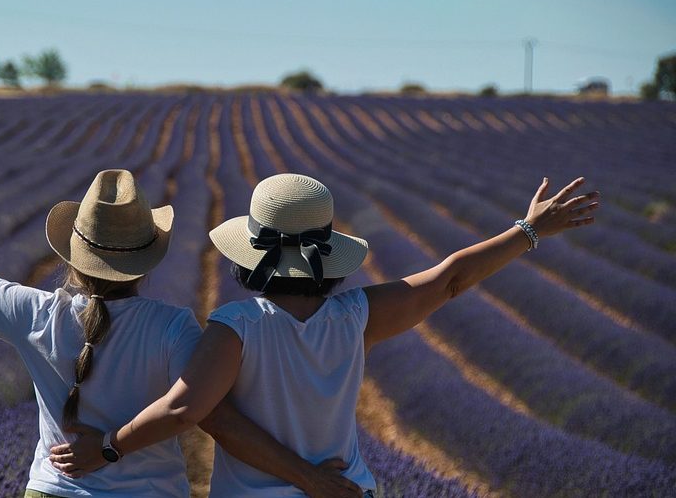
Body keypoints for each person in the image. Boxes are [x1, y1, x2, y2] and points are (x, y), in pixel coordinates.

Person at [0, 165, 361, 498]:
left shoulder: (34, 313)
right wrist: (307, 473)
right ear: (146, 261)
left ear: (72, 253)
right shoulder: (174, 328)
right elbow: (206, 411)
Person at [49, 172, 600, 497]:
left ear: (249, 252)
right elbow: (451, 278)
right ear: (328, 254)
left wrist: (108, 448)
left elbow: (186, 412)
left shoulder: (236, 327)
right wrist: (528, 230)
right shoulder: (358, 314)